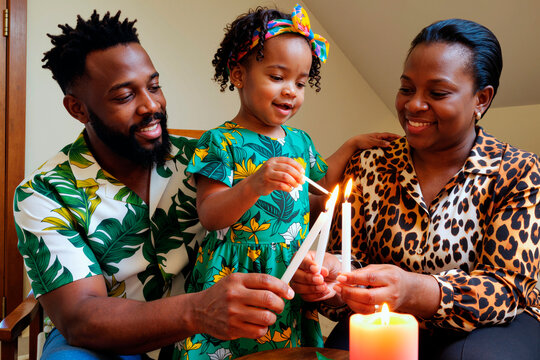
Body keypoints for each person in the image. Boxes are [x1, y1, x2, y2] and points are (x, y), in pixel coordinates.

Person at [13, 10, 300, 360]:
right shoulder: (44, 192)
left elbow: (278, 233)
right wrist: (197, 311)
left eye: (154, 86)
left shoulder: (207, 160)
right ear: (78, 109)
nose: (151, 106)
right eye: (124, 97)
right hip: (108, 345)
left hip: (210, 344)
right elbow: (81, 317)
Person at [292, 18, 540, 359]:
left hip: (491, 326)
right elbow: (351, 260)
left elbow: (506, 289)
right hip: (384, 322)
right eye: (407, 89)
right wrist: (332, 281)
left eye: (437, 93)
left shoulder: (518, 171)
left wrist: (413, 289)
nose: (413, 105)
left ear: (481, 99)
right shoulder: (371, 163)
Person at [179, 5, 399, 360]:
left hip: (289, 271)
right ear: (238, 75)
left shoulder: (299, 141)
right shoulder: (220, 141)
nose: (291, 92)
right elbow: (210, 215)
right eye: (277, 77)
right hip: (236, 273)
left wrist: (350, 146)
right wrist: (254, 184)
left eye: (300, 82)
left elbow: (320, 190)